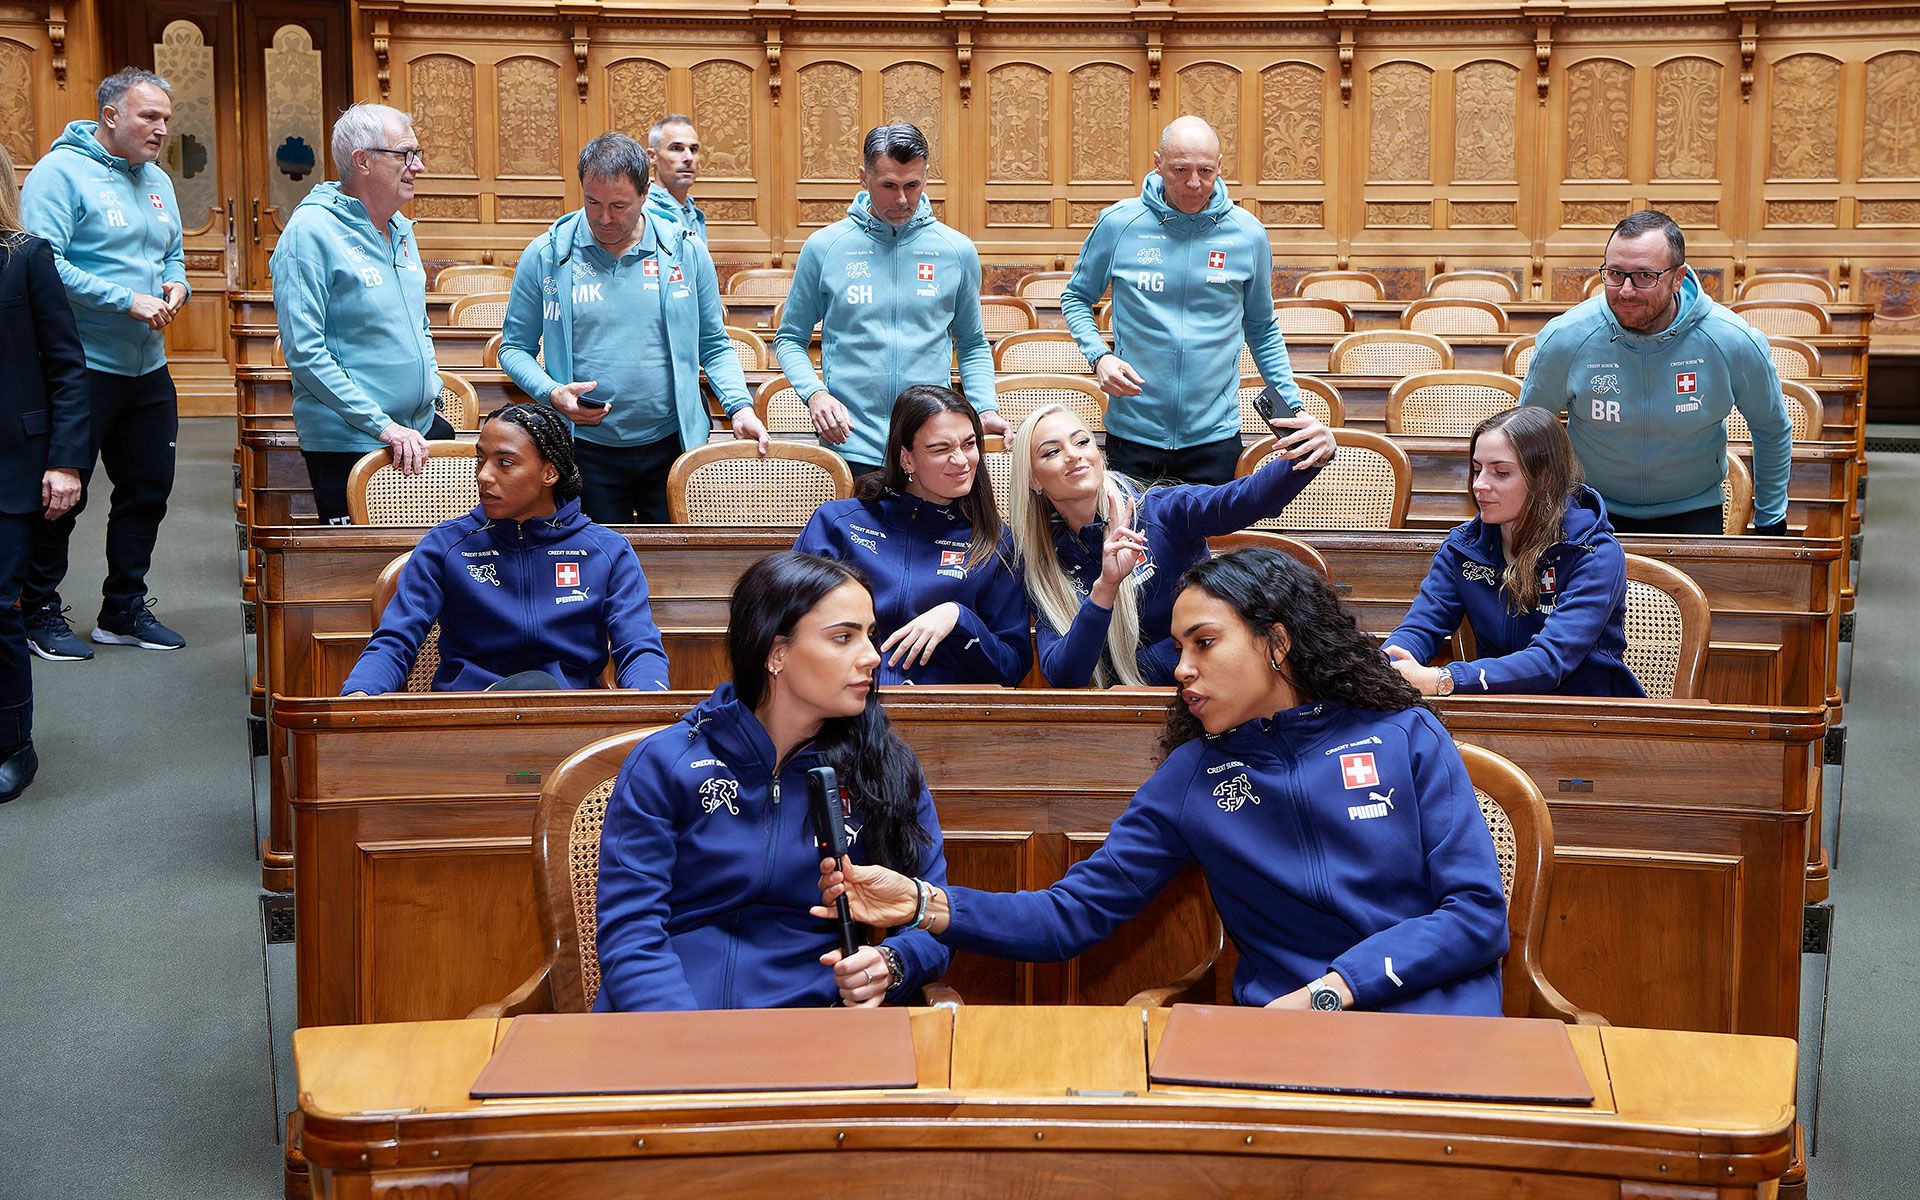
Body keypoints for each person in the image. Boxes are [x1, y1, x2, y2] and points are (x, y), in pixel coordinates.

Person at [819, 547, 1510, 1015]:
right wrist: (923, 902)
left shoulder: (1405, 733)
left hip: (1437, 1022)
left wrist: (1333, 992)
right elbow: (1068, 917)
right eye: (1178, 648)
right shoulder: (1193, 778)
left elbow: (1476, 917)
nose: (1180, 668)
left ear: (1277, 642)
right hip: (1285, 1042)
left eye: (1203, 643)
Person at [595, 551, 953, 1010]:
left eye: (870, 635)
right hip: (665, 1021)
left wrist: (893, 962)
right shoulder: (665, 761)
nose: (871, 656)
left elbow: (933, 914)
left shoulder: (886, 767)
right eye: (843, 637)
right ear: (776, 653)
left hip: (816, 1024)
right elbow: (632, 932)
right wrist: (682, 1039)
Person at [500, 132, 766, 524]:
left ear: (645, 193)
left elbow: (713, 342)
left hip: (672, 445)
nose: (604, 218)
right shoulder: (546, 254)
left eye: (619, 205)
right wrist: (552, 392)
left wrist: (739, 407)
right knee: (597, 574)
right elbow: (513, 348)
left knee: (677, 573)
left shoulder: (685, 250)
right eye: (593, 202)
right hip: (585, 450)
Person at [19, 68, 188, 659]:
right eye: (150, 117)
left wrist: (175, 285)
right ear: (111, 116)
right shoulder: (58, 175)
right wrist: (126, 299)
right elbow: (43, 265)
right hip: (82, 366)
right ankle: (36, 610)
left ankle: (123, 609)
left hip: (148, 369)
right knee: (64, 497)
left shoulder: (159, 179)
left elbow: (173, 251)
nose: (162, 129)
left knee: (148, 491)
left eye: (166, 118)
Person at [1059, 115, 1327, 487]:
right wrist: (1099, 355)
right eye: (1179, 170)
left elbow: (1262, 328)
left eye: (1205, 170)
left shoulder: (1248, 234)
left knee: (1210, 545)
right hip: (1134, 435)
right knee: (1134, 543)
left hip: (1215, 438)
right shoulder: (1118, 223)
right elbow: (1075, 297)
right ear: (1158, 164)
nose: (1193, 183)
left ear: (1220, 167)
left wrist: (1293, 408)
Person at [341, 403, 669, 695]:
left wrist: (650, 699)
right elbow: (395, 640)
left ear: (549, 472)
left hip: (570, 713)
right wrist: (359, 693)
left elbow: (638, 648)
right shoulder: (445, 545)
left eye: (505, 463)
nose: (483, 475)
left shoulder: (608, 551)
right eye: (481, 459)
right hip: (468, 717)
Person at [1011, 403, 1327, 688]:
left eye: (1081, 441)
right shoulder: (1042, 562)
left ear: (1098, 454)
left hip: (1208, 684)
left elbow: (1241, 500)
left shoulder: (1163, 509)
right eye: (1051, 452)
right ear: (1033, 479)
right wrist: (1105, 588)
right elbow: (1065, 675)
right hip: (1127, 707)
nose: (1073, 454)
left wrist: (1308, 454)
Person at [1521, 209, 1791, 535]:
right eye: (1615, 273)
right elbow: (1529, 432)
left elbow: (1771, 428)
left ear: (1678, 277)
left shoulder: (1732, 341)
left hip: (1692, 509)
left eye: (1645, 276)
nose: (1626, 291)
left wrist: (1770, 521)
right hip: (1588, 506)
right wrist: (1533, 513)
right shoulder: (1566, 338)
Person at [774, 123, 1007, 478]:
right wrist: (815, 394)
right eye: (889, 186)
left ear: (926, 176)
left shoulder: (956, 250)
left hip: (931, 444)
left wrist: (984, 406)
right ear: (863, 178)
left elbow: (972, 343)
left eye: (912, 185)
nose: (902, 200)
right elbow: (790, 339)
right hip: (852, 441)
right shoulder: (824, 248)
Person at [272, 102, 451, 525]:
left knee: (436, 568)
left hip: (419, 431)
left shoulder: (402, 228)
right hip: (351, 440)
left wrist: (432, 386)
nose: (418, 166)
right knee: (369, 576)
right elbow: (305, 354)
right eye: (406, 154)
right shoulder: (310, 232)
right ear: (363, 161)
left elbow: (418, 324)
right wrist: (383, 426)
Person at [1383, 408, 1643, 698]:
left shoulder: (1594, 553)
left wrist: (1445, 678)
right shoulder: (1462, 547)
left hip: (1589, 718)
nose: (1479, 484)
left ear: (1544, 479)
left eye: (1501, 472)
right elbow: (1421, 627)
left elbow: (1549, 661)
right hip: (1497, 710)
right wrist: (1387, 665)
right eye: (1476, 468)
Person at [793, 385, 1030, 686]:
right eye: (940, 449)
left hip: (946, 718)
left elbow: (1012, 670)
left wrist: (959, 619)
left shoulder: (995, 542)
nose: (961, 461)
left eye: (969, 444)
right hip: (847, 709)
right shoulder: (836, 523)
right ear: (907, 458)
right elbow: (788, 626)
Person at [0, 145, 90, 801]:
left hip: (11, 463)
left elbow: (66, 366)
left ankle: (13, 744)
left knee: (0, 607)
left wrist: (65, 459)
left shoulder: (24, 256)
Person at [644, 114, 705, 243]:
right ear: (652, 156)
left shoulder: (693, 211)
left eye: (693, 149)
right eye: (676, 148)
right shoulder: (643, 212)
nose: (689, 157)